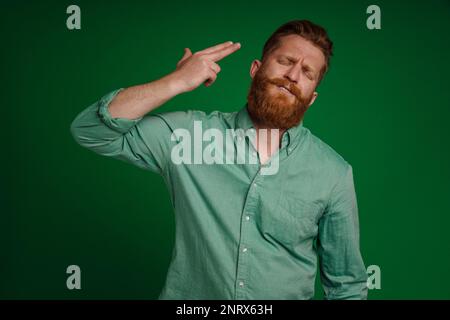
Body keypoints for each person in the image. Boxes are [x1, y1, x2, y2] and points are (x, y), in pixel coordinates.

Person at [71, 20, 368, 300]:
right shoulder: (189, 136)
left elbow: (347, 286)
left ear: (312, 96)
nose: (293, 76)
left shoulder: (333, 174)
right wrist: (176, 82)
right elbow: (91, 131)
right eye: (286, 61)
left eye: (307, 72)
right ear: (256, 68)